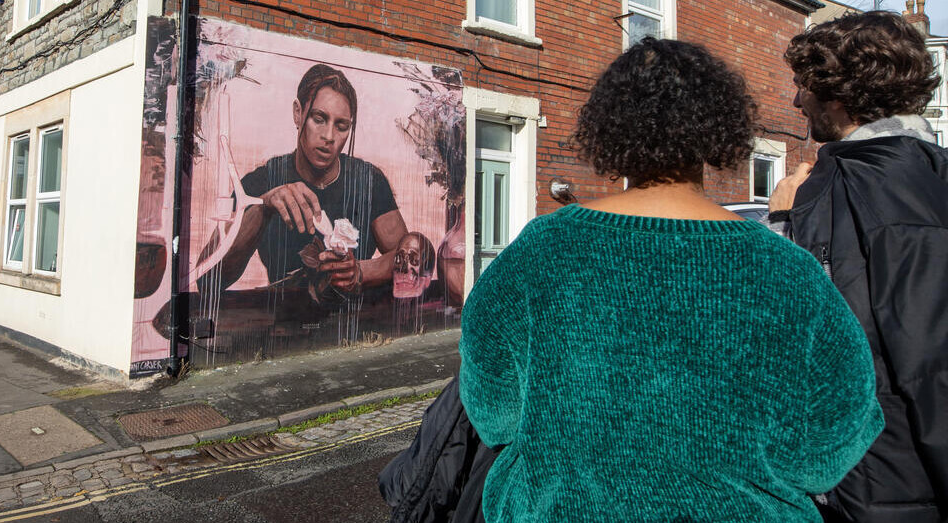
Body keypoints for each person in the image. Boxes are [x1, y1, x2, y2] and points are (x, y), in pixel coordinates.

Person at [458, 37, 883, 522]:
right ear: (717, 128)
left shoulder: (539, 249)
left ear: (609, 127)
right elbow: (833, 437)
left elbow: (495, 410)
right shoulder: (787, 268)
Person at [768, 11, 948, 523]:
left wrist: (782, 220)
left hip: (872, 484)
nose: (796, 100)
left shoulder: (836, 188)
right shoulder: (936, 173)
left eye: (803, 86)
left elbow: (787, 334)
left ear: (838, 96)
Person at [203, 63, 409, 296]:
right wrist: (263, 207)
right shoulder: (261, 182)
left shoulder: (369, 181)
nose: (329, 137)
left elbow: (409, 255)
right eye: (319, 119)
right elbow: (208, 278)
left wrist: (361, 272)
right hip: (282, 324)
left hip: (354, 326)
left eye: (341, 126)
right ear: (298, 113)